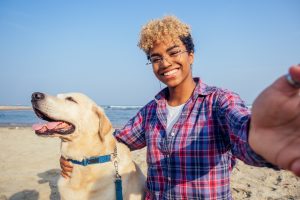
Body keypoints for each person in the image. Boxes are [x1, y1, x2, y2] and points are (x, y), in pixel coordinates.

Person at [60, 16, 300, 199]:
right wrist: (76, 157)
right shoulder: (151, 112)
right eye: (155, 58)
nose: (165, 63)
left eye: (174, 52)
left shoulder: (219, 102)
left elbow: (243, 134)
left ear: (191, 55)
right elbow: (113, 142)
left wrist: (264, 138)